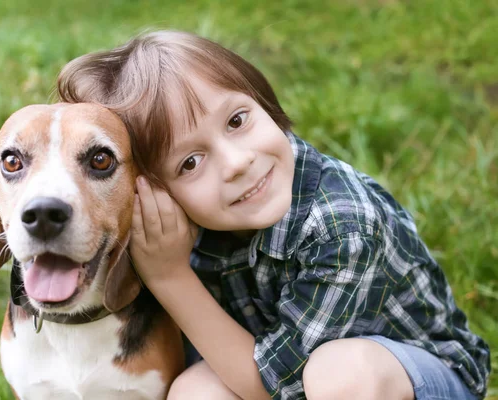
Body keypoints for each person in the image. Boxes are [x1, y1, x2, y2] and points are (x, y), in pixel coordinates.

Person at [56, 30, 490, 400]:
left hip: (412, 378)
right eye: (190, 163)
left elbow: (269, 384)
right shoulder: (177, 223)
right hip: (278, 363)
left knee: (340, 373)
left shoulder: (342, 226)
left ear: (262, 100)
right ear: (155, 194)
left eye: (237, 120)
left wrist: (170, 277)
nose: (236, 162)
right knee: (194, 393)